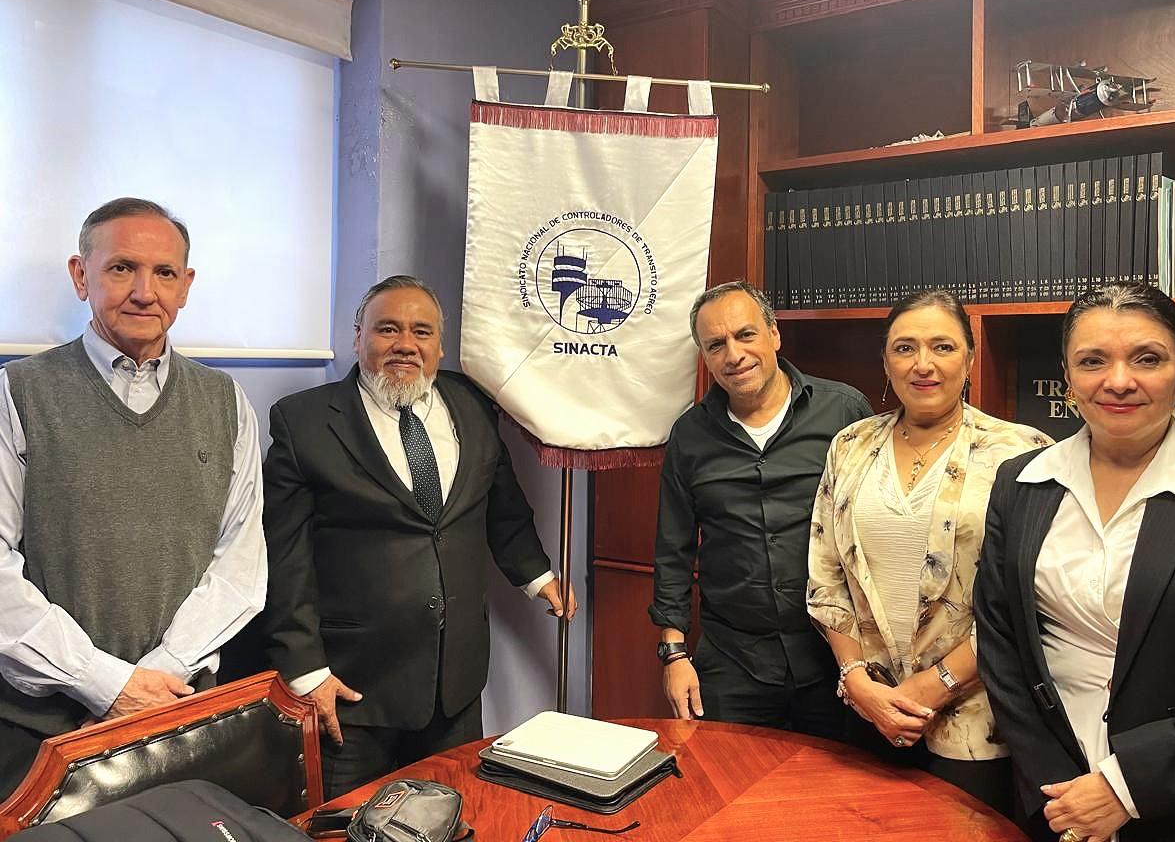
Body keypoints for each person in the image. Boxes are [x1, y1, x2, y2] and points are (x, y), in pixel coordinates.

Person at [974, 283, 1175, 842]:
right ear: (1067, 377)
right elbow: (1001, 643)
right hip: (1054, 796)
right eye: (1093, 361)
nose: (1118, 381)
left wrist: (1125, 788)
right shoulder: (1020, 483)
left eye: (1147, 359)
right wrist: (1056, 788)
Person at [260, 274, 575, 798]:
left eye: (421, 332)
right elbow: (283, 556)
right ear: (358, 337)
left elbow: (501, 505)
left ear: (439, 346)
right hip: (353, 692)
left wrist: (538, 577)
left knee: (453, 820)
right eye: (388, 329)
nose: (405, 344)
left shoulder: (473, 404)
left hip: (454, 688)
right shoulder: (304, 421)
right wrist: (306, 672)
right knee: (348, 828)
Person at [0, 198, 266, 797]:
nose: (145, 292)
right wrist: (105, 684)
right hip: (44, 732)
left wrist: (154, 682)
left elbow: (239, 566)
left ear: (185, 286)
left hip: (180, 715)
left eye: (164, 272)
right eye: (122, 268)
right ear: (81, 275)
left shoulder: (226, 403)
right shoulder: (18, 392)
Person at [806, 289, 1049, 814]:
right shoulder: (849, 446)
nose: (923, 364)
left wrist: (937, 684)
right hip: (870, 707)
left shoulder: (1021, 453)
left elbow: (1032, 603)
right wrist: (855, 680)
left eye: (942, 346)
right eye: (905, 348)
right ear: (885, 361)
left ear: (970, 357)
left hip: (975, 717)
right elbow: (826, 576)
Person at [649, 280, 872, 738]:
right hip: (734, 661)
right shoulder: (690, 436)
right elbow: (673, 550)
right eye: (716, 345)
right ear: (705, 357)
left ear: (774, 334)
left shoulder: (844, 412)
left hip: (836, 658)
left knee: (835, 783)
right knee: (729, 779)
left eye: (745, 335)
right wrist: (674, 654)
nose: (734, 355)